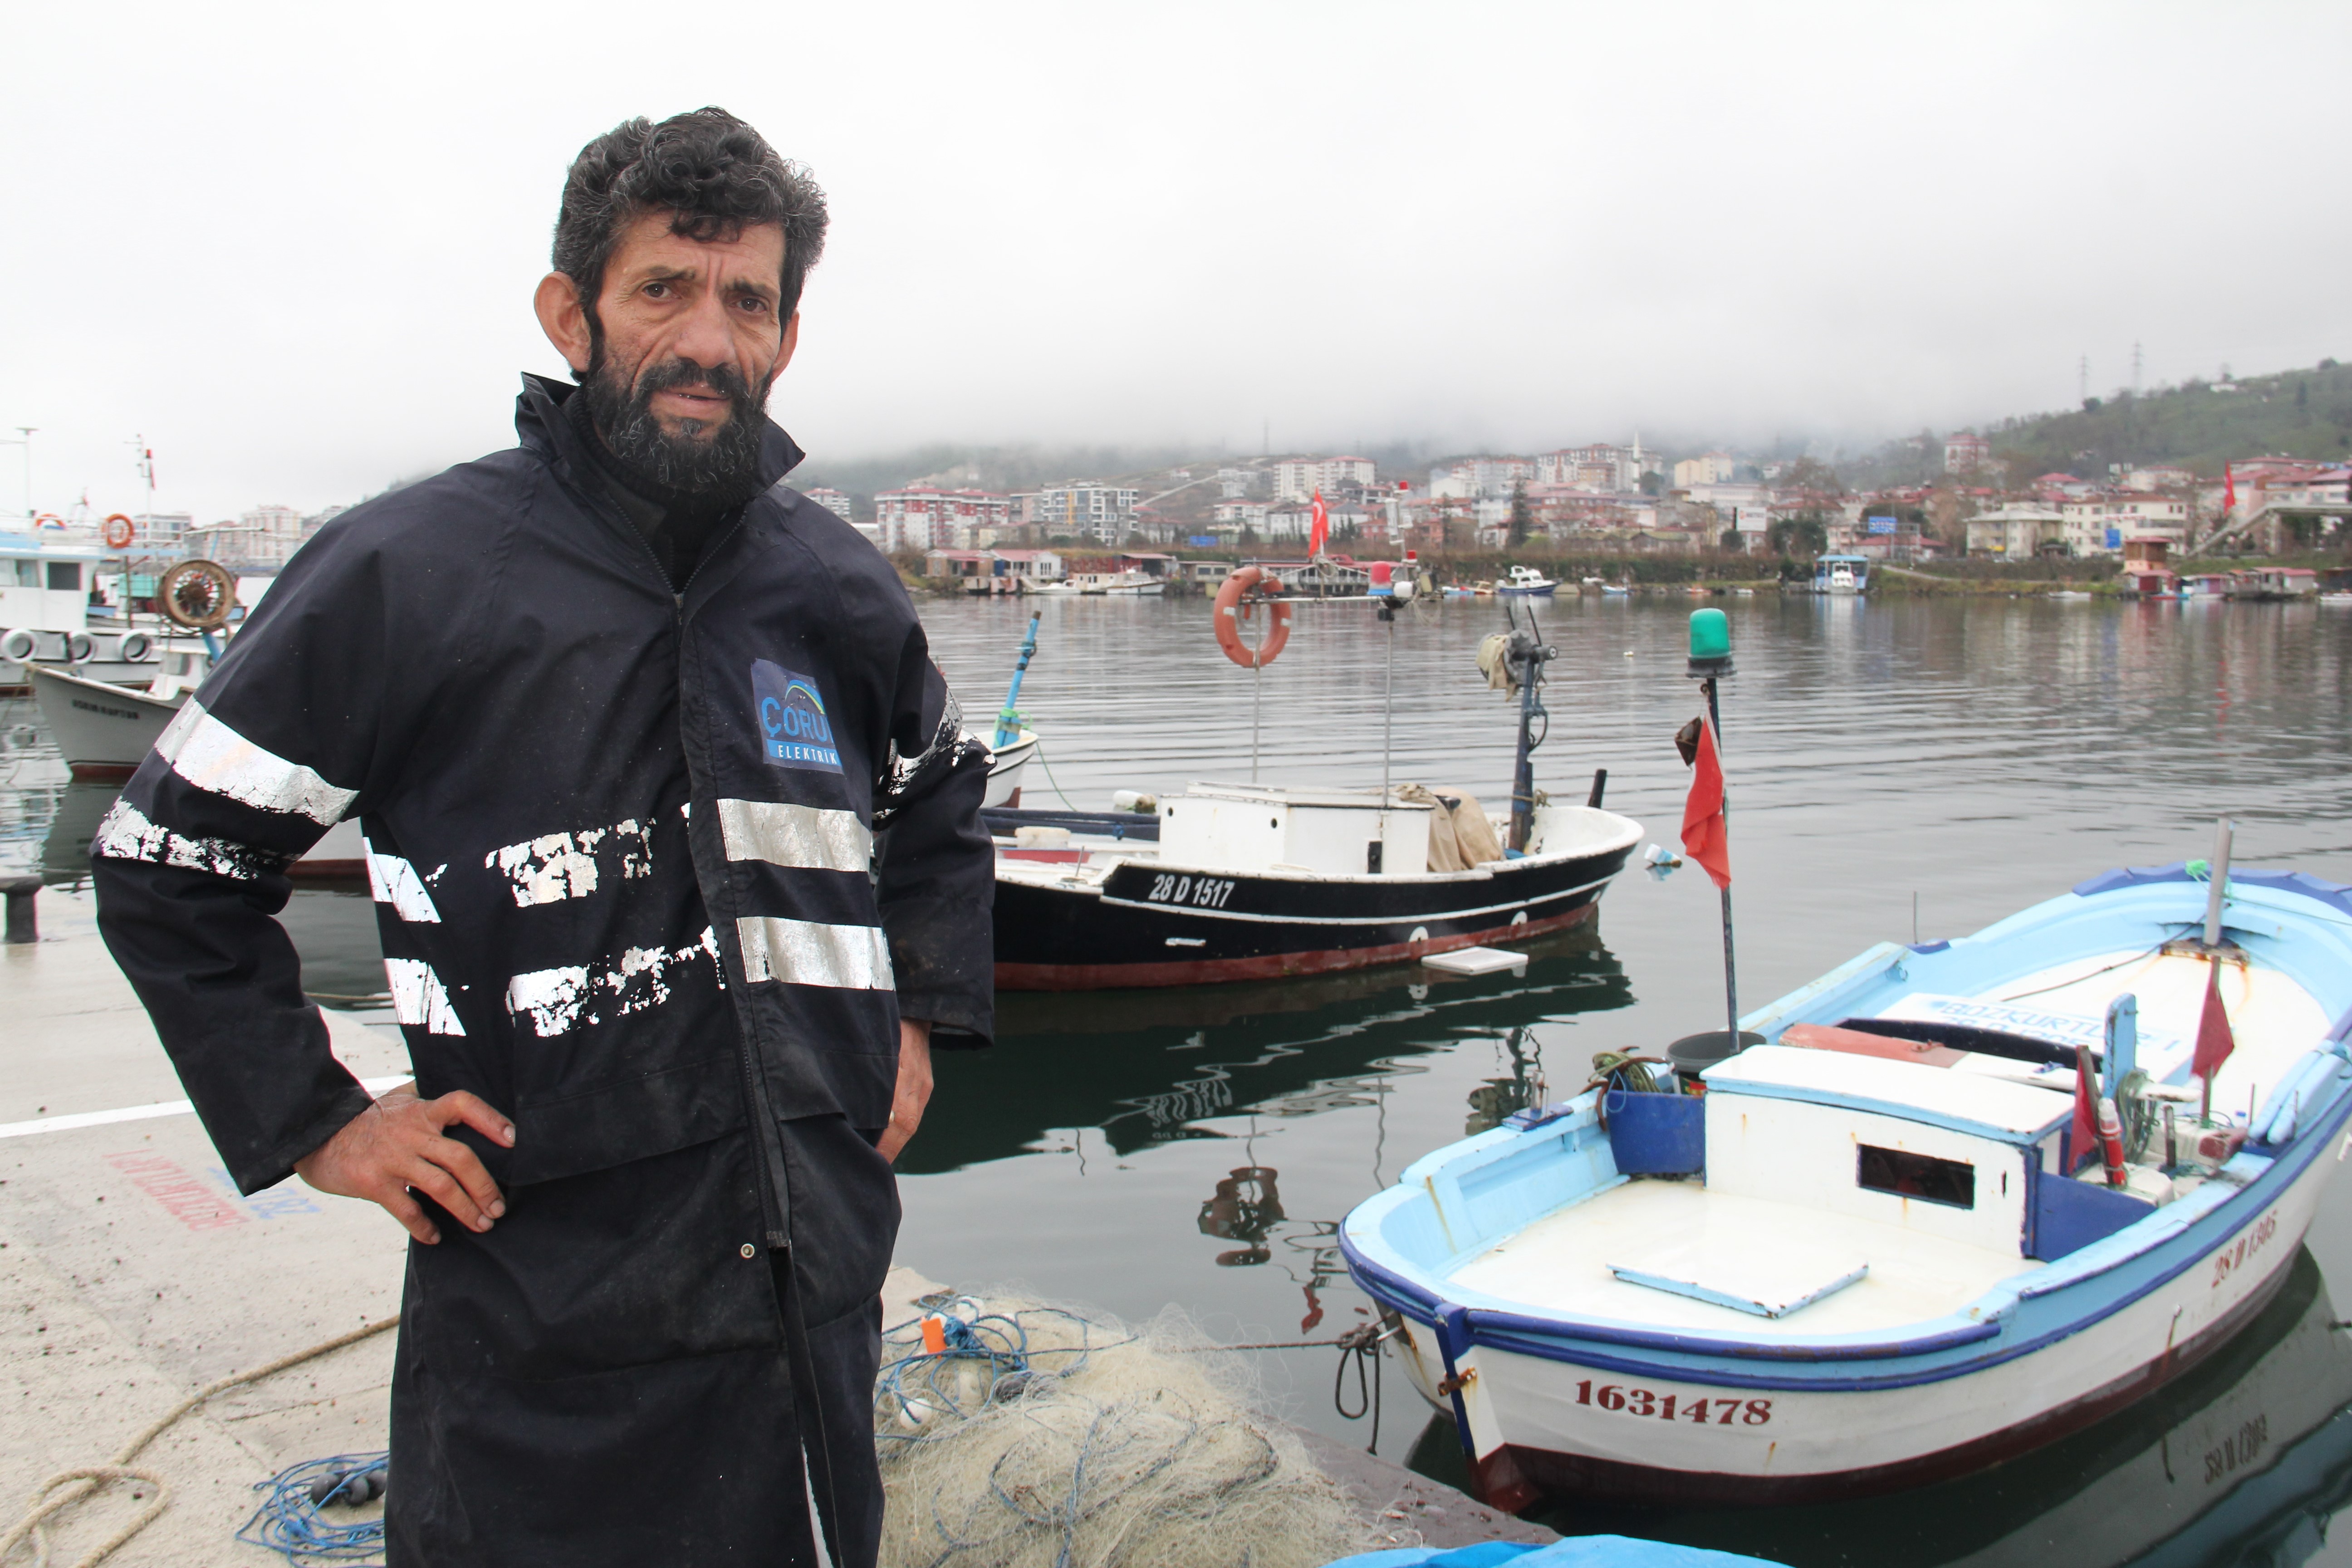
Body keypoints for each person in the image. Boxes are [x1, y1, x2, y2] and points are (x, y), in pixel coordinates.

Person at [91, 107, 993, 1567]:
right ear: (571, 315)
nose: (708, 338)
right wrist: (320, 1122)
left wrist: (923, 1011)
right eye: (663, 291)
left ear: (788, 336)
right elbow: (165, 868)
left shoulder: (833, 586)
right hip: (543, 1334)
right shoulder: (409, 573)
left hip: (812, 1305)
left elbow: (940, 792)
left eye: (746, 300)